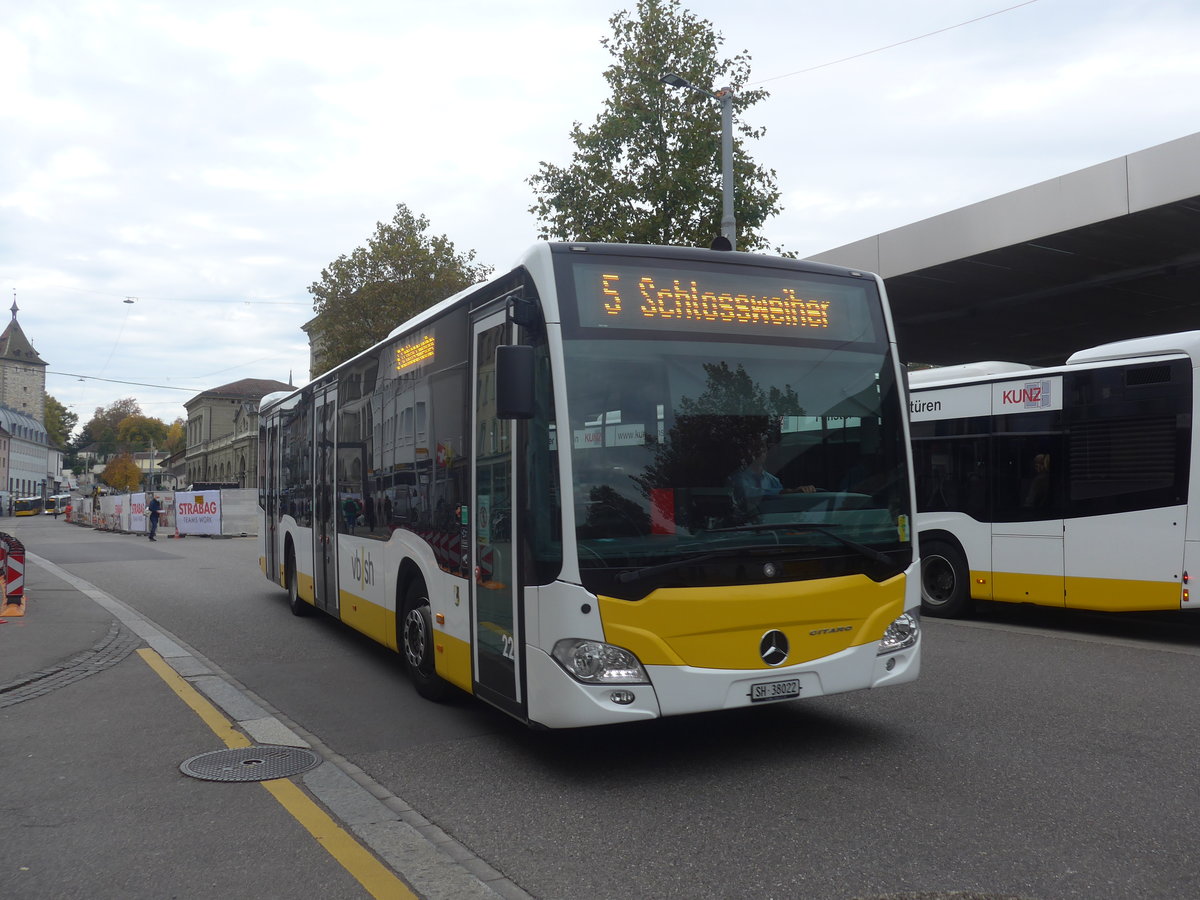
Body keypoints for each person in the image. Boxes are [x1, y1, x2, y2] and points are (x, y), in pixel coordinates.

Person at [730, 445, 817, 513]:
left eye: (762, 450)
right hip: (744, 526)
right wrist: (785, 492)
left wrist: (802, 492)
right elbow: (747, 494)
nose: (758, 454)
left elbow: (782, 503)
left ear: (766, 453)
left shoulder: (773, 480)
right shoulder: (737, 478)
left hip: (772, 525)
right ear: (746, 454)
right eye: (754, 451)